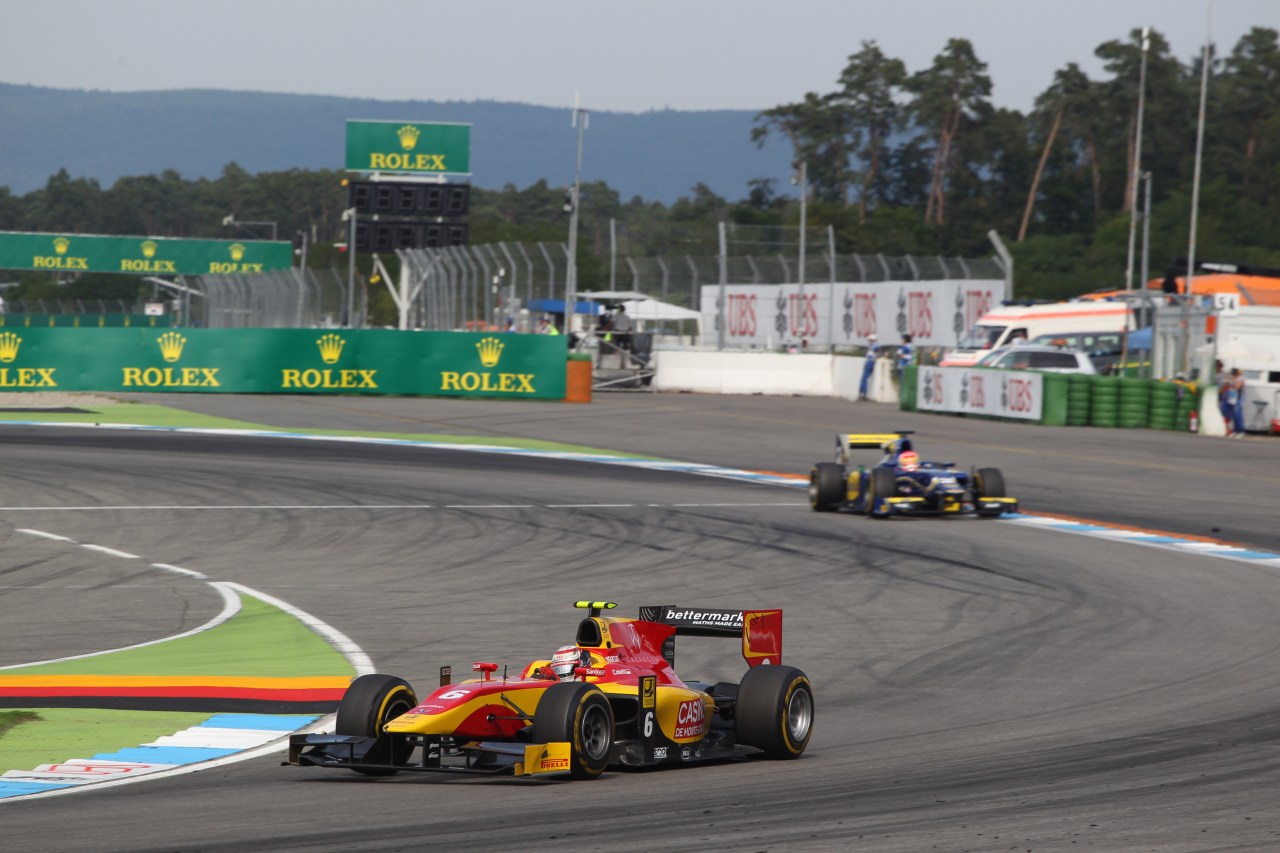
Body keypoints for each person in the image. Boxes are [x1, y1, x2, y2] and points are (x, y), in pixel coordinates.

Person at [1220, 367, 1246, 437]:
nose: (1232, 376)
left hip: (1238, 399)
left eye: (1233, 374)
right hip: (1231, 399)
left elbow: (1237, 387)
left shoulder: (1240, 378)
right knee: (1232, 415)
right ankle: (1234, 430)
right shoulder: (1232, 378)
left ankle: (1240, 431)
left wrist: (1231, 382)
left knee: (1238, 415)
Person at [858, 334, 881, 401]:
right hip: (870, 362)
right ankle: (862, 393)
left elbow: (876, 352)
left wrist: (874, 359)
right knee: (864, 378)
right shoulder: (873, 346)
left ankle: (863, 393)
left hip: (869, 362)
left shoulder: (874, 346)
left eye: (869, 340)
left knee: (864, 378)